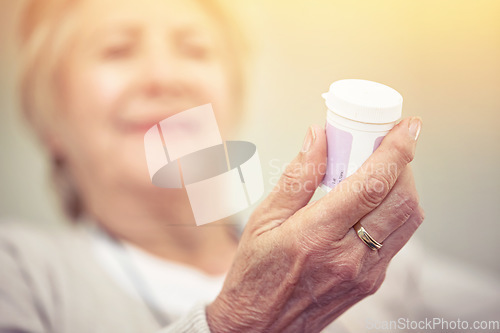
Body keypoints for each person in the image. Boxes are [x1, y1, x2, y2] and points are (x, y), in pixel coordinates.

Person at [0, 0, 427, 332]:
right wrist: (241, 320)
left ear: (232, 103)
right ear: (50, 118)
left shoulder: (362, 263)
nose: (164, 76)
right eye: (117, 50)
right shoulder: (19, 275)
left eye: (196, 50)